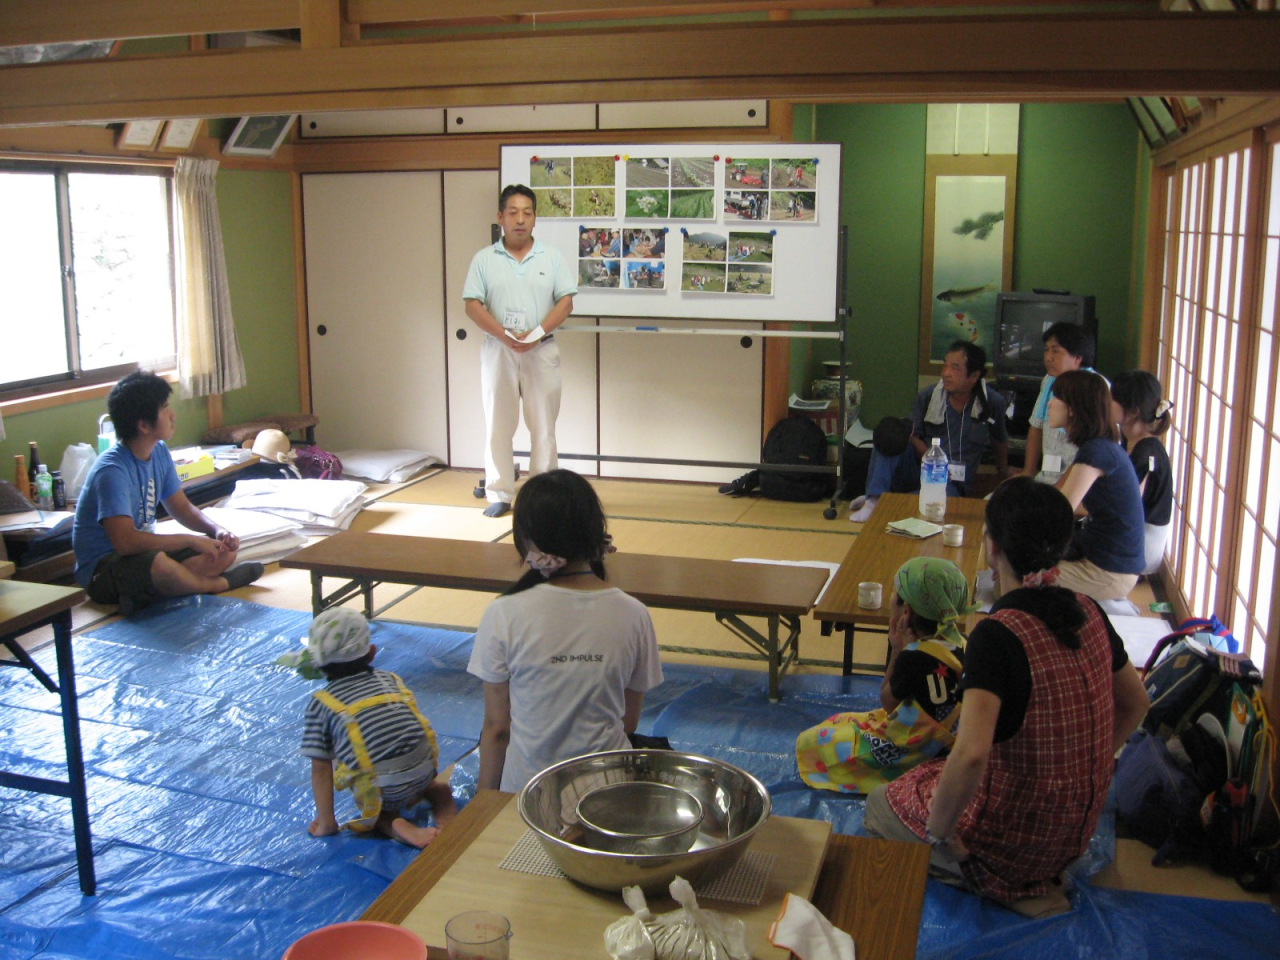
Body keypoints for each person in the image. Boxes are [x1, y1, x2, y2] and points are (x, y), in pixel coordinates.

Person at [864, 477, 1150, 918]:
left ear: (992, 546)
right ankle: (1026, 875)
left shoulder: (998, 634)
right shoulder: (1089, 609)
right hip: (1075, 834)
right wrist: (1084, 768)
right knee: (939, 771)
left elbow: (972, 754)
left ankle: (1000, 886)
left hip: (1013, 846)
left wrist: (943, 837)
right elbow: (1136, 703)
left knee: (883, 804)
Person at [468, 469, 663, 793]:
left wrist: (483, 808)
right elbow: (628, 722)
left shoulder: (504, 613)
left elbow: (497, 728)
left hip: (528, 794)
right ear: (595, 533)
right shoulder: (634, 613)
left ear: (526, 539)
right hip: (607, 792)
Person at [71, 370, 263, 615]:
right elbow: (126, 543)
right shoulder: (112, 471)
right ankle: (215, 585)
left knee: (222, 552)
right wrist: (189, 539)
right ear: (143, 425)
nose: (173, 415)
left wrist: (216, 531)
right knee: (161, 565)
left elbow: (181, 508)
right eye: (164, 409)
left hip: (141, 554)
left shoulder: (158, 451)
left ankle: (145, 595)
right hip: (103, 570)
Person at [796, 557, 973, 794]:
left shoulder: (914, 657)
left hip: (911, 748)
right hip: (949, 743)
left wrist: (898, 648)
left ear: (906, 611)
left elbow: (888, 702)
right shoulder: (963, 642)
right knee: (843, 720)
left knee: (812, 741)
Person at [289, 608, 456, 848]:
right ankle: (446, 814)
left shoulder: (322, 703)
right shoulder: (389, 678)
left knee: (377, 810)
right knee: (436, 788)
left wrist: (327, 823)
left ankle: (397, 825)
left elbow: (320, 768)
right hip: (424, 770)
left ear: (319, 666)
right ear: (372, 653)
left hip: (384, 789)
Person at [463, 184, 577, 518]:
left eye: (527, 212)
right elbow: (472, 304)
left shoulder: (551, 257)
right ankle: (499, 492)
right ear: (500, 217)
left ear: (535, 219)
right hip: (499, 350)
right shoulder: (484, 259)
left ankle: (544, 496)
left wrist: (537, 333)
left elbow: (566, 301)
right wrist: (505, 335)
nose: (520, 219)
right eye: (512, 212)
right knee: (498, 423)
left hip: (541, 349)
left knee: (543, 425)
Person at [850, 341, 1009, 522]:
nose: (946, 373)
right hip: (920, 469)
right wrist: (932, 459)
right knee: (888, 436)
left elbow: (999, 439)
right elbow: (911, 435)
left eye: (955, 368)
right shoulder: (928, 395)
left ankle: (884, 499)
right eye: (945, 365)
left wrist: (1003, 472)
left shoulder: (992, 402)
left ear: (974, 376)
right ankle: (874, 500)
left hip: (950, 483)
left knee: (936, 505)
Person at [1049, 369, 1146, 600]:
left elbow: (1060, 512)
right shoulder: (1099, 447)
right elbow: (1057, 496)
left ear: (1072, 408)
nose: (1050, 404)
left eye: (1056, 399)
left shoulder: (1095, 452)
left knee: (1018, 576)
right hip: (1104, 558)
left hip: (1110, 571)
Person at [1110, 370, 1174, 575]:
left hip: (1142, 549)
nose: (1107, 404)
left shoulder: (1147, 453)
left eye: (1112, 400)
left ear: (1133, 411)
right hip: (1134, 539)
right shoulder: (1132, 441)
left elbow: (1128, 508)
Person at [1019, 322, 1096, 484]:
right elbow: (1036, 426)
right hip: (1045, 478)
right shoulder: (1049, 380)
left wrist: (1058, 489)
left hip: (1076, 482)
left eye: (1056, 351)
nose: (1048, 357)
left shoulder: (1095, 387)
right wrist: (1028, 472)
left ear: (1077, 358)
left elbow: (1091, 451)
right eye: (1046, 350)